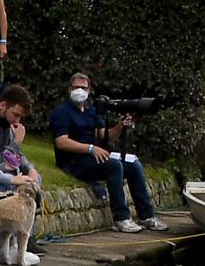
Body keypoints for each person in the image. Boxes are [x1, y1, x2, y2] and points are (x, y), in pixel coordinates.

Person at [50, 69, 167, 234]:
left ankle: (147, 216)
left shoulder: (91, 111)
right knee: (114, 166)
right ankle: (121, 217)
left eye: (83, 88)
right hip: (73, 161)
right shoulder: (61, 112)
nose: (79, 91)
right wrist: (90, 149)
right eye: (76, 87)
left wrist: (119, 127)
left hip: (92, 157)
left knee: (133, 166)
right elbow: (61, 142)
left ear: (89, 91)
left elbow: (105, 136)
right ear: (69, 89)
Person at [0, 80, 45, 260]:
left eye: (20, 117)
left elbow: (17, 157)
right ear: (3, 105)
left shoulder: (5, 126)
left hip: (2, 171)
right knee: (13, 187)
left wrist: (29, 169)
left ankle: (24, 237)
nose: (17, 121)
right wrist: (16, 142)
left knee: (35, 179)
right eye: (15, 114)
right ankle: (11, 241)